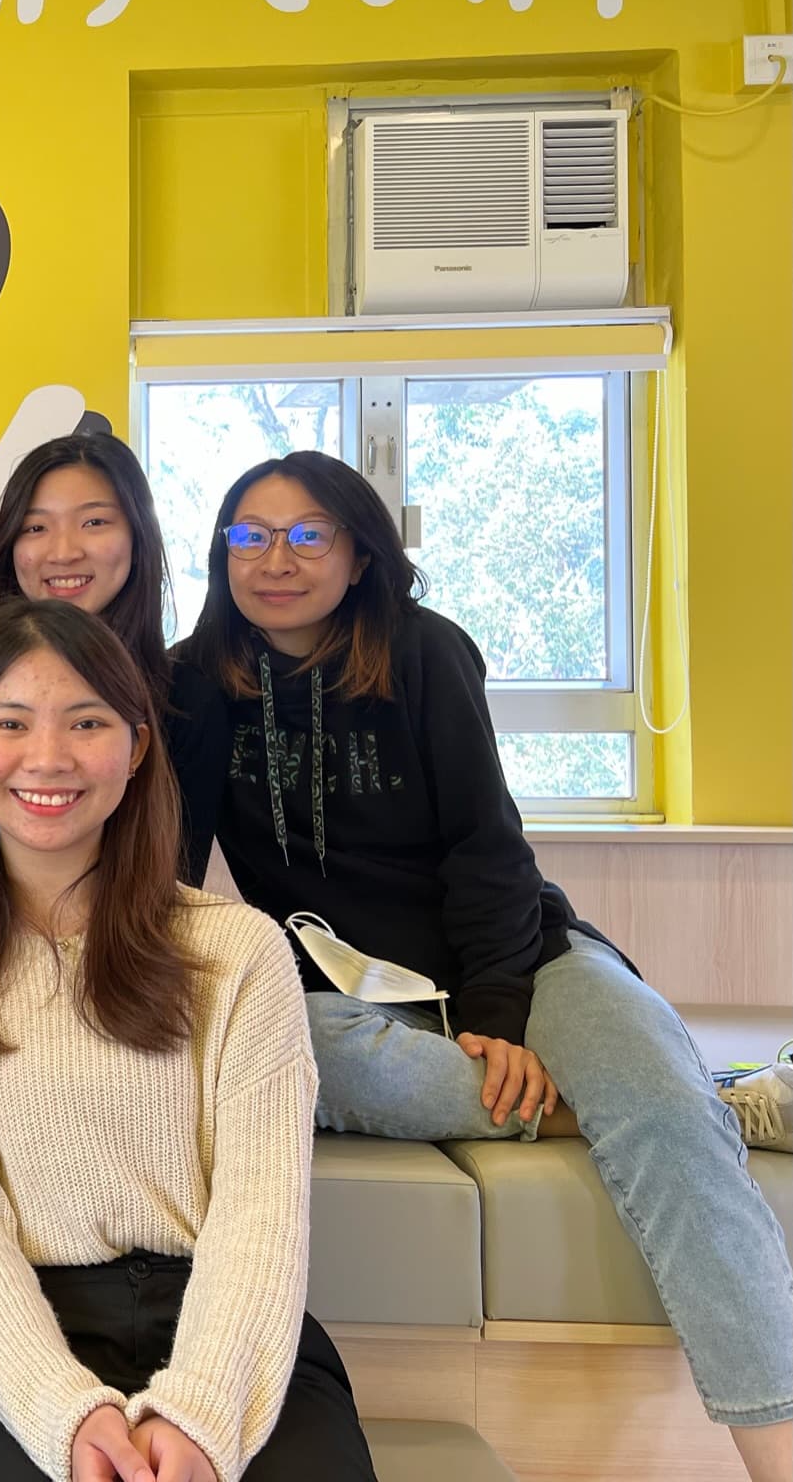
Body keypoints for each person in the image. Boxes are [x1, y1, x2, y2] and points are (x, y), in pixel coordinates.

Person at [178, 449, 793, 1482]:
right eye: (250, 535)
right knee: (268, 1052)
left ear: (361, 554)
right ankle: (682, 1101)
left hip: (522, 953)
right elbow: (173, 858)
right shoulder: (192, 681)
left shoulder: (424, 652)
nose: (274, 559)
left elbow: (488, 848)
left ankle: (775, 1446)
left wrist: (497, 1013)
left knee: (663, 1121)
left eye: (307, 534)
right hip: (346, 990)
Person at [0, 597, 374, 1482]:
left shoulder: (239, 949)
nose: (47, 757)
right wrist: (65, 1412)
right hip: (24, 1336)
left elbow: (261, 1210)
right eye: (9, 723)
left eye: (87, 722)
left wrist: (199, 1412)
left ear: (136, 748)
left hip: (226, 1322)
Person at [0, 430, 226, 883]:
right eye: (35, 527)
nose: (64, 552)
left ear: (138, 537)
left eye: (94, 522)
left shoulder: (188, 697)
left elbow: (175, 886)